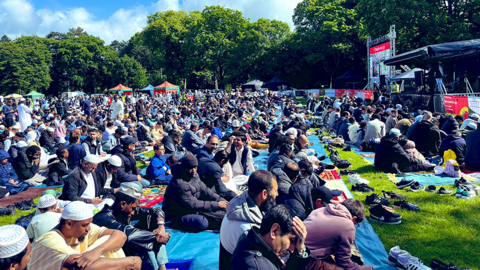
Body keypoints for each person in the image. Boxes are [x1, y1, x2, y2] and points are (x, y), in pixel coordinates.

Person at [28, 201, 141, 270]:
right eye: (85, 225)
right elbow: (84, 267)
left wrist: (98, 251)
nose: (89, 228)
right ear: (69, 224)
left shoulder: (82, 229)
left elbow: (120, 235)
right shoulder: (50, 241)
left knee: (109, 242)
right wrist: (131, 262)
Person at [93, 183, 170, 270]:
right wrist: (157, 237)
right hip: (114, 256)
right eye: (132, 209)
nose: (133, 213)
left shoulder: (124, 211)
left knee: (151, 218)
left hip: (127, 247)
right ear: (123, 204)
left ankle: (162, 266)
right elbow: (129, 234)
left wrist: (161, 227)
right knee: (142, 238)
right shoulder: (104, 218)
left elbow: (156, 210)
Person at [219, 170, 278, 270]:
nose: (277, 194)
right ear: (264, 194)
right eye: (275, 190)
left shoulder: (239, 201)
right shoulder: (249, 230)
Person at [230, 205, 310, 270]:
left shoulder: (250, 240)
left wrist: (300, 251)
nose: (292, 249)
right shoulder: (254, 265)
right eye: (292, 240)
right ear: (274, 231)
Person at [162, 154, 228, 232]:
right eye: (190, 168)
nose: (193, 170)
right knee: (202, 222)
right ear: (184, 167)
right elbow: (193, 204)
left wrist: (223, 202)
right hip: (176, 215)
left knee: (223, 210)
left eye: (195, 167)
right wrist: (217, 205)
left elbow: (206, 191)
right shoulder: (179, 183)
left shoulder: (194, 175)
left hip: (191, 208)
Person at [303, 199, 373, 270]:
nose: (354, 225)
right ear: (354, 218)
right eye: (356, 223)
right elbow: (343, 261)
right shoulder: (348, 225)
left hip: (295, 248)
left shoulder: (321, 210)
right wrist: (360, 268)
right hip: (303, 258)